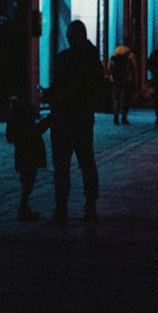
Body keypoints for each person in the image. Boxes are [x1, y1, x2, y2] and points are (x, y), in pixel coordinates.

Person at [48, 19, 104, 225]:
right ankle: (90, 205)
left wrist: (51, 96)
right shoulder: (93, 59)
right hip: (83, 117)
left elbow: (58, 88)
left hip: (64, 118)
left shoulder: (66, 58)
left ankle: (61, 207)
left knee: (62, 164)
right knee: (86, 162)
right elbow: (97, 88)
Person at [6, 94, 51, 221]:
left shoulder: (13, 120)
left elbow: (10, 138)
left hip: (21, 154)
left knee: (26, 181)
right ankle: (23, 208)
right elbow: (35, 132)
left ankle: (24, 208)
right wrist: (47, 122)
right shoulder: (23, 121)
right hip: (29, 154)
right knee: (28, 182)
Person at [107, 38, 137, 124]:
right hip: (126, 79)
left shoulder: (115, 53)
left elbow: (109, 66)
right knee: (126, 98)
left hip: (116, 79)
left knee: (116, 98)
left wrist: (111, 75)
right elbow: (134, 68)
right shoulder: (130, 54)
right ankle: (124, 117)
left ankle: (116, 117)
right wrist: (134, 79)